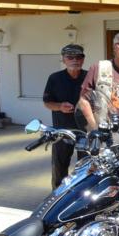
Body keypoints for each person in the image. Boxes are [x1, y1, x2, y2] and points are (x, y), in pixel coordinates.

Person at [43, 44, 87, 188]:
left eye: (78, 57)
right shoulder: (55, 78)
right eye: (70, 57)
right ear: (63, 59)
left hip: (85, 131)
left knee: (86, 167)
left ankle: (83, 194)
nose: (75, 60)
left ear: (83, 59)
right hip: (62, 130)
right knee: (59, 168)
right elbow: (47, 102)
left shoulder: (89, 77)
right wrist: (60, 106)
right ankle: (58, 195)